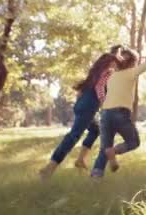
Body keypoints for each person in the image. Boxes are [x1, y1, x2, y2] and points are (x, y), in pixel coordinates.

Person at [39, 46, 122, 180]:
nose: (117, 64)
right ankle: (49, 168)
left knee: (95, 130)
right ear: (110, 62)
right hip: (89, 105)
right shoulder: (108, 71)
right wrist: (104, 103)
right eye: (116, 62)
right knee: (74, 136)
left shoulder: (95, 72)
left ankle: (80, 160)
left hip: (82, 103)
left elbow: (85, 90)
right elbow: (100, 87)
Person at [90, 48, 146, 178]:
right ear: (132, 63)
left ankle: (96, 176)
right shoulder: (131, 72)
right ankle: (113, 151)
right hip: (120, 113)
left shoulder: (111, 76)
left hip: (105, 113)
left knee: (105, 147)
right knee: (133, 142)